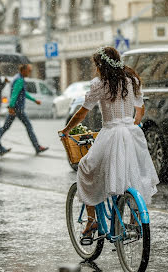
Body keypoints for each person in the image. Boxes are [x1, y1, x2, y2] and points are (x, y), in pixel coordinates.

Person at [59, 46, 159, 238]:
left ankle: (91, 221)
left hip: (111, 133)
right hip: (131, 133)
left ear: (101, 65)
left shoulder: (100, 84)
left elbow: (82, 111)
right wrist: (133, 124)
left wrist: (66, 130)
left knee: (86, 168)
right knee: (133, 175)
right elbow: (140, 108)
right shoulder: (132, 80)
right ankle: (133, 219)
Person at [0, 64, 48, 154]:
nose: (30, 73)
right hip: (17, 108)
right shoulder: (19, 80)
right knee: (28, 126)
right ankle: (37, 146)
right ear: (24, 70)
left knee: (6, 127)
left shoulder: (17, 78)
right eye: (29, 71)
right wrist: (11, 107)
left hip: (15, 107)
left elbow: (23, 93)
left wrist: (34, 100)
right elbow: (14, 94)